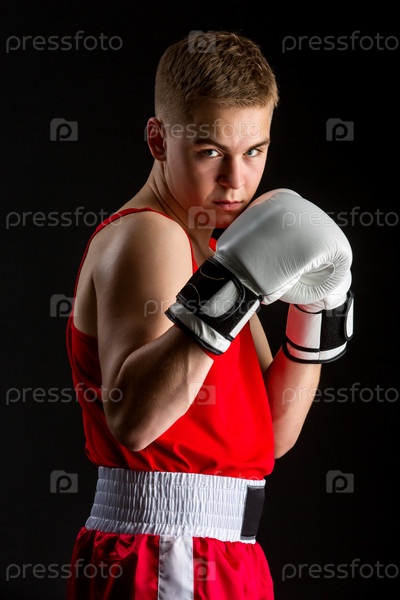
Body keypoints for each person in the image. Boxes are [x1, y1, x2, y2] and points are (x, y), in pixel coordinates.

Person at [65, 30, 354, 599]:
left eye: (254, 151)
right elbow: (134, 422)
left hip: (225, 551)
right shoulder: (151, 235)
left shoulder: (215, 250)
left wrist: (318, 309)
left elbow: (269, 435)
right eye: (210, 152)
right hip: (167, 553)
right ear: (158, 139)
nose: (236, 181)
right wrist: (234, 286)